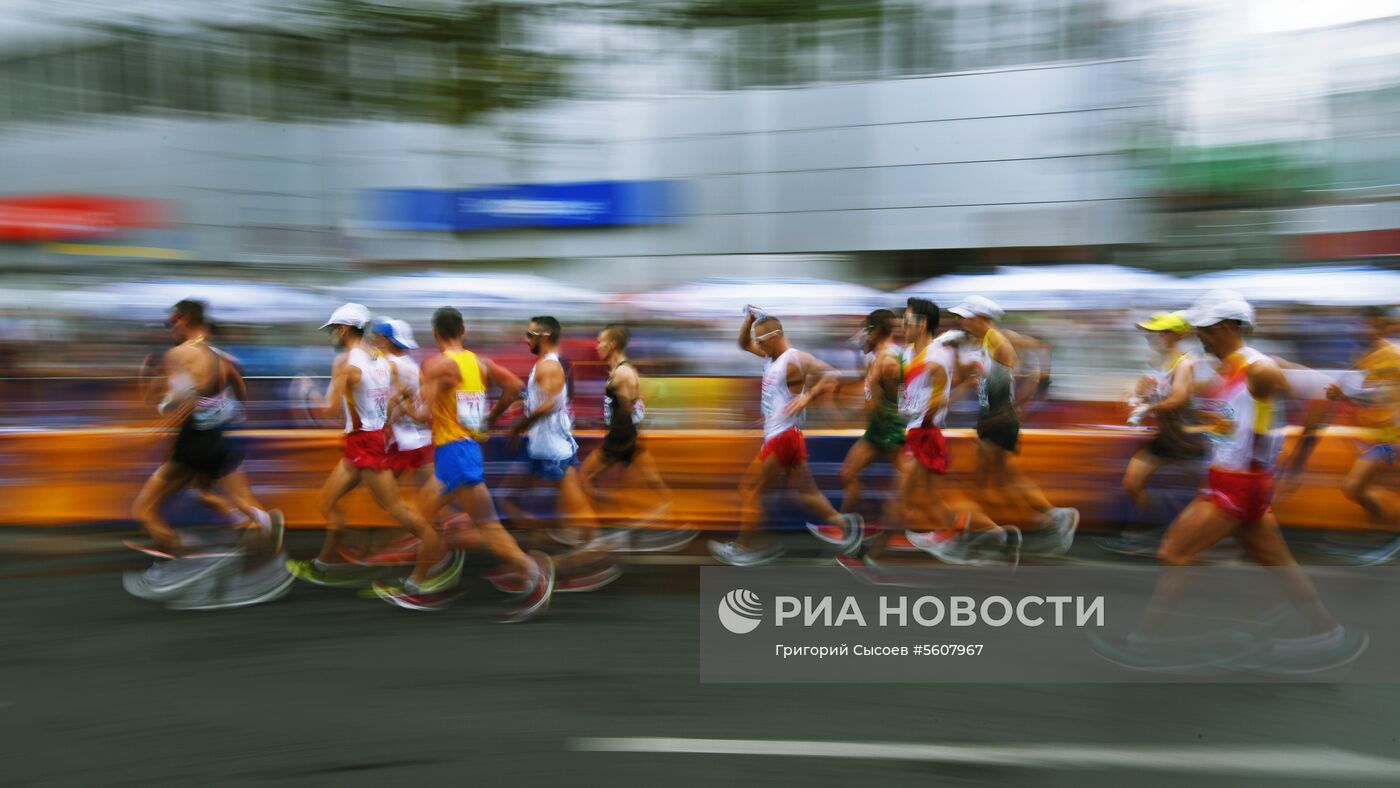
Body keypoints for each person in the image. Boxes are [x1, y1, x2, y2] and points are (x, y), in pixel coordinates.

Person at [1100, 290, 1365, 668]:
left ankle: (1140, 644)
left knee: (1174, 552)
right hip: (1232, 480)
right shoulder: (1226, 368)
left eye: (1203, 329)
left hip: (1238, 485)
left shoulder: (1259, 369)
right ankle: (1330, 634)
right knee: (1276, 562)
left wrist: (1295, 462)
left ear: (1224, 327)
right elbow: (1225, 422)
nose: (1197, 336)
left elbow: (1327, 394)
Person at [378, 306, 554, 619]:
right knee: (422, 517)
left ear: (435, 335)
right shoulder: (481, 362)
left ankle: (533, 574)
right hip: (462, 450)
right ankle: (420, 584)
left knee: (487, 527)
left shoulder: (436, 365)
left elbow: (421, 416)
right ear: (463, 331)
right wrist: (491, 418)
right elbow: (515, 387)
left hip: (454, 452)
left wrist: (402, 399)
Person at [286, 304, 457, 598]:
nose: (332, 335)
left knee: (396, 509)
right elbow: (400, 389)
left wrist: (306, 390)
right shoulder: (380, 358)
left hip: (365, 443)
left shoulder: (344, 363)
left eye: (333, 330)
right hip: (366, 439)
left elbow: (327, 410)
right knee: (326, 502)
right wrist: (388, 411)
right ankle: (328, 563)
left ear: (344, 329)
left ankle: (432, 556)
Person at [125, 299, 288, 606]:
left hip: (193, 442)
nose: (170, 329)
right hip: (220, 439)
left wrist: (154, 394)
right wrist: (226, 413)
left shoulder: (178, 354)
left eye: (172, 322)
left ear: (184, 319)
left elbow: (178, 400)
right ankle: (262, 532)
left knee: (145, 510)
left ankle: (189, 561)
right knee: (231, 498)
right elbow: (239, 392)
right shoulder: (220, 357)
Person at [848, 298, 1018, 570]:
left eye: (907, 320)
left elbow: (940, 399)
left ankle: (870, 554)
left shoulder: (935, 357)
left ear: (922, 323)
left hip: (925, 434)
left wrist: (921, 418)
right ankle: (998, 534)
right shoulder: (909, 354)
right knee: (933, 502)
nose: (903, 325)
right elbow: (893, 371)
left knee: (899, 496)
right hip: (917, 432)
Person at [708, 306, 863, 566]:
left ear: (774, 336)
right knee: (806, 491)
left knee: (750, 489)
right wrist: (749, 320)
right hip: (784, 434)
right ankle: (847, 527)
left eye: (761, 340)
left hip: (783, 437)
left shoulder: (794, 358)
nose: (757, 344)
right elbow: (743, 343)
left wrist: (807, 397)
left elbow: (831, 375)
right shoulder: (772, 358)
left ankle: (744, 548)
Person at [950, 295, 1077, 554]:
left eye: (966, 318)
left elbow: (1038, 348)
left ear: (981, 318)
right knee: (1003, 478)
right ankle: (1049, 518)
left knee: (987, 481)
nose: (962, 322)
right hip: (996, 418)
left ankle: (989, 534)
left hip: (997, 419)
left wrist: (1036, 384)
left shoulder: (997, 339)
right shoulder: (987, 341)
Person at [508, 315, 622, 592]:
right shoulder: (548, 365)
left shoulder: (550, 365)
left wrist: (519, 425)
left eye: (529, 334)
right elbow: (544, 401)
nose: (526, 340)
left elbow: (551, 403)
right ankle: (542, 552)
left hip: (552, 451)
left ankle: (592, 556)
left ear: (544, 335)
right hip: (542, 447)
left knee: (579, 518)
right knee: (510, 499)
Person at [577, 324, 695, 553]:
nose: (597, 346)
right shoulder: (622, 370)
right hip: (629, 438)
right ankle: (676, 520)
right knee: (654, 483)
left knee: (584, 480)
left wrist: (619, 447)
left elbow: (628, 412)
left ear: (612, 345)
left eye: (600, 341)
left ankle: (614, 523)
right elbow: (633, 406)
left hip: (621, 440)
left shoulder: (622, 373)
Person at [1099, 311, 1207, 556]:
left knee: (1206, 498)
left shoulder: (1185, 363)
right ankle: (1152, 531)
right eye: (1150, 332)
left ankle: (1155, 534)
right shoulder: (1161, 364)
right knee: (1132, 483)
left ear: (1173, 336)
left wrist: (1149, 406)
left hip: (1187, 439)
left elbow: (1179, 398)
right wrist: (1135, 398)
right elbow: (1142, 390)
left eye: (1156, 333)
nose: (1150, 337)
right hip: (1168, 438)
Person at [810, 309, 904, 548]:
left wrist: (830, 406)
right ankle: (854, 526)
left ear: (877, 331)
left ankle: (894, 529)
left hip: (891, 428)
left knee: (910, 485)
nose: (862, 335)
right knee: (848, 474)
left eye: (867, 330)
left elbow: (868, 402)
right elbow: (864, 390)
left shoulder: (887, 361)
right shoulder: (875, 357)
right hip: (881, 427)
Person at [1318, 306, 1400, 564]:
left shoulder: (1393, 356)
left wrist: (1345, 395)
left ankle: (1386, 535)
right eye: (1361, 324)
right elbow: (1366, 400)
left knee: (1354, 486)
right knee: (1361, 487)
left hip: (1392, 439)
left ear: (1383, 326)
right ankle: (1379, 535)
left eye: (1371, 324)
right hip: (1375, 437)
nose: (1363, 330)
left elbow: (1381, 395)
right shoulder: (1363, 358)